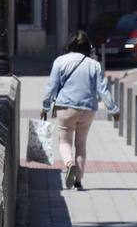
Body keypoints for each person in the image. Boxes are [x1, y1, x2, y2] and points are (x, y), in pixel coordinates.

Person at [41, 31, 120, 190]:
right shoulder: (94, 65)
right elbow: (102, 90)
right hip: (88, 108)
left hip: (65, 107)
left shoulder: (60, 61)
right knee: (81, 144)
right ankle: (78, 180)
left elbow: (52, 88)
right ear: (87, 46)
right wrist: (113, 109)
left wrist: (45, 106)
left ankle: (69, 164)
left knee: (64, 141)